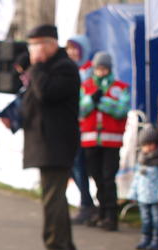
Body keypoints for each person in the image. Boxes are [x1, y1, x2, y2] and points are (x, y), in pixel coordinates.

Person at [13, 24, 79, 250]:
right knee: (55, 199)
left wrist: (37, 67)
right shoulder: (49, 67)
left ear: (50, 44)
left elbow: (46, 93)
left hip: (55, 143)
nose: (32, 51)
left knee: (53, 201)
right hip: (45, 142)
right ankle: (66, 249)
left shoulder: (63, 68)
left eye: (36, 46)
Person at [80, 51, 130, 231]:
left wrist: (100, 101)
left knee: (109, 178)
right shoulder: (86, 87)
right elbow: (81, 109)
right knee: (97, 178)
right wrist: (91, 100)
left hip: (111, 142)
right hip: (90, 141)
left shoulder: (120, 87)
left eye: (104, 68)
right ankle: (100, 212)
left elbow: (121, 110)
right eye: (98, 68)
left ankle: (111, 215)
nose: (101, 72)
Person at [66, 35, 95, 225]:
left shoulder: (90, 71)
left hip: (88, 127)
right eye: (69, 48)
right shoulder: (69, 70)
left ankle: (88, 205)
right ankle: (87, 203)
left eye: (75, 48)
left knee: (81, 165)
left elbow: (86, 101)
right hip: (72, 124)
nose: (72, 52)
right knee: (73, 165)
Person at [127, 124, 158, 250]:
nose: (150, 147)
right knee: (146, 220)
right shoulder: (140, 161)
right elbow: (136, 179)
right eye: (147, 144)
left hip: (156, 199)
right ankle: (146, 238)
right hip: (143, 197)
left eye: (153, 143)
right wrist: (133, 194)